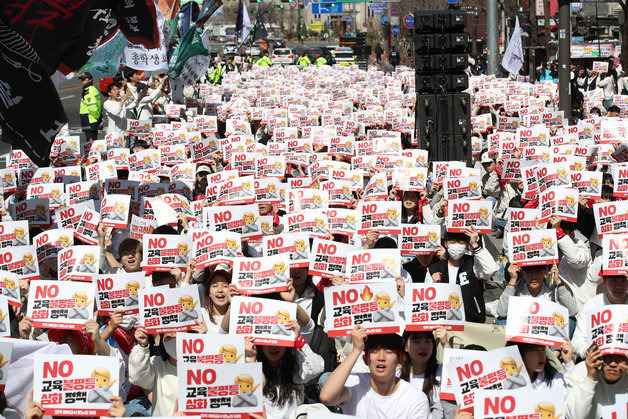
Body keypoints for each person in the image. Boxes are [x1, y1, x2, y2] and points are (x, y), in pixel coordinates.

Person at [320, 326, 431, 418]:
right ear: (365, 359)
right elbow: (327, 397)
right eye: (374, 351)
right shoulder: (355, 383)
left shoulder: (415, 399)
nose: (381, 357)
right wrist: (356, 350)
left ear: (400, 361)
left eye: (388, 352)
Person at [426, 229, 499, 323]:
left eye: (461, 242)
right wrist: (434, 285)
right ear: (446, 244)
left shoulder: (473, 264)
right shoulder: (434, 269)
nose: (456, 245)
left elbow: (491, 269)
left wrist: (475, 244)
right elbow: (427, 298)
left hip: (472, 321)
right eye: (452, 242)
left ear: (467, 245)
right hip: (444, 322)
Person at [565, 346, 627, 419]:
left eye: (619, 356)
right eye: (607, 356)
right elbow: (574, 417)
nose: (613, 364)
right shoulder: (582, 370)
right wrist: (590, 377)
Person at [78, 71, 102, 142]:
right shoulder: (88, 89)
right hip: (88, 120)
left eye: (84, 79)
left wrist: (98, 117)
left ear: (90, 79)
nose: (82, 81)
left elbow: (92, 107)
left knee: (91, 143)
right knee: (91, 141)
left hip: (90, 120)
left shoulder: (89, 90)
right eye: (82, 79)